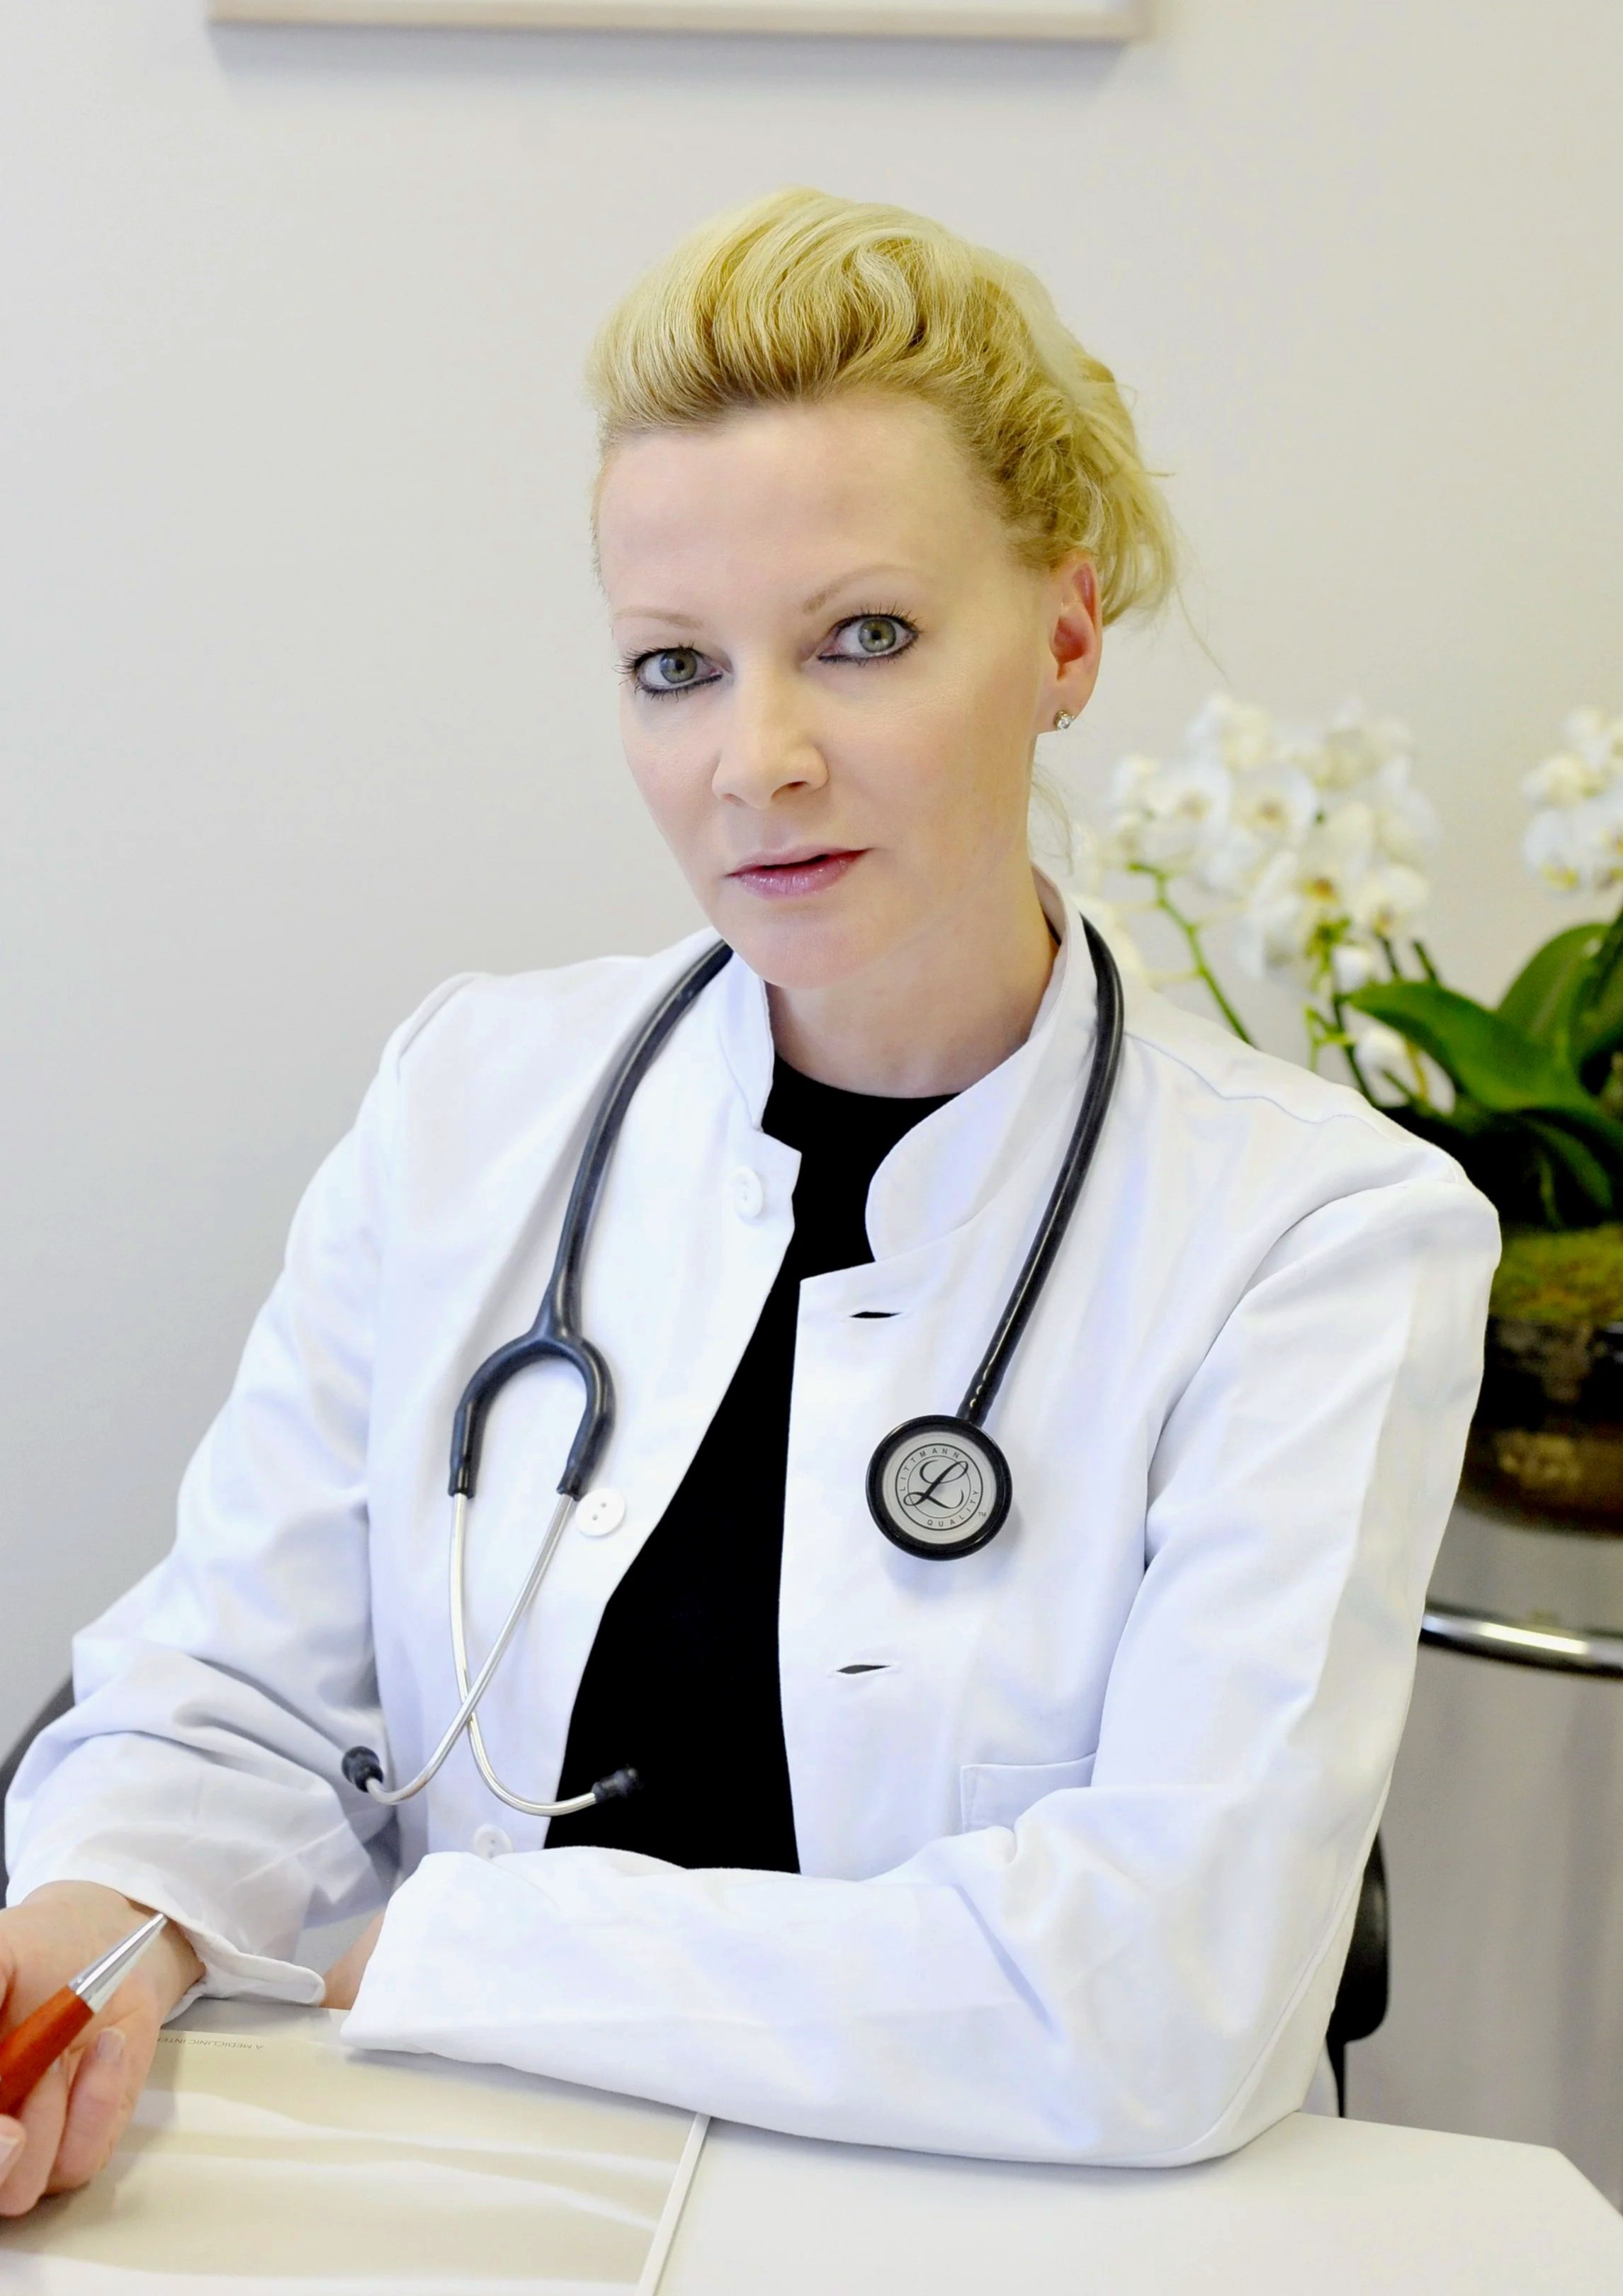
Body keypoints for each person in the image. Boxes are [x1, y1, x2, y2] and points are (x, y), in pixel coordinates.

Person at [0, 188, 1495, 2214]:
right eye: (672, 665)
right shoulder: (474, 1099)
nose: (754, 758)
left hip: (1007, 2236)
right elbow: (235, 1691)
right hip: (465, 2196)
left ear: (1061, 635)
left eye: (861, 637)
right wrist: (101, 1920)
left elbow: (1161, 1990)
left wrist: (439, 1948)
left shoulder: (1320, 1235)